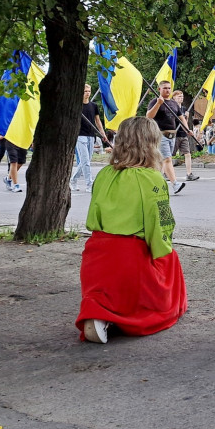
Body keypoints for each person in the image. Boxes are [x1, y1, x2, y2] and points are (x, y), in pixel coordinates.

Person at [76, 117, 186, 344]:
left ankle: (100, 314)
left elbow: (92, 219)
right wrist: (163, 257)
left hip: (96, 256)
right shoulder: (152, 178)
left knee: (103, 290)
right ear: (151, 143)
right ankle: (125, 314)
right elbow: (160, 228)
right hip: (129, 257)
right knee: (170, 262)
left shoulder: (104, 174)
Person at [145, 80, 188, 195]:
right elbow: (148, 116)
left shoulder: (174, 103)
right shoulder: (155, 101)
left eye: (169, 88)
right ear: (159, 89)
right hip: (160, 134)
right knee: (167, 159)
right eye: (165, 88)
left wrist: (187, 129)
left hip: (172, 135)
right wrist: (158, 103)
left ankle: (153, 183)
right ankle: (175, 184)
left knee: (160, 161)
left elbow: (181, 118)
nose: (167, 90)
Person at [71, 84, 107, 192]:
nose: (87, 93)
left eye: (89, 91)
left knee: (85, 161)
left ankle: (73, 180)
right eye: (85, 91)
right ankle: (89, 184)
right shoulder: (76, 106)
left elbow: (98, 121)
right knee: (85, 161)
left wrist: (103, 134)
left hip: (91, 135)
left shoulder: (93, 106)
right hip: (80, 135)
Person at [170, 91, 199, 182]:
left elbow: (184, 122)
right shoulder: (171, 107)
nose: (181, 98)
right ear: (174, 98)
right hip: (174, 134)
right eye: (179, 96)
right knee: (169, 155)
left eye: (182, 96)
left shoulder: (183, 108)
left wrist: (186, 118)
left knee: (187, 153)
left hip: (183, 134)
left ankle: (189, 173)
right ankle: (166, 172)